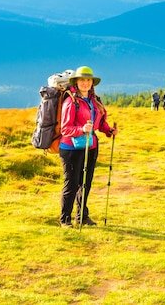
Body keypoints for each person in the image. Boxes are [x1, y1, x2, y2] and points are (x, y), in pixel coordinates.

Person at [58, 66, 117, 228]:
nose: (85, 83)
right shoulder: (70, 101)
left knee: (86, 183)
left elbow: (100, 122)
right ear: (76, 82)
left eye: (88, 80)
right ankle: (65, 219)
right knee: (72, 183)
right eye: (82, 80)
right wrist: (81, 130)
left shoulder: (95, 100)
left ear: (92, 83)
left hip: (90, 147)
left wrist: (109, 130)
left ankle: (82, 216)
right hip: (71, 148)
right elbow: (65, 128)